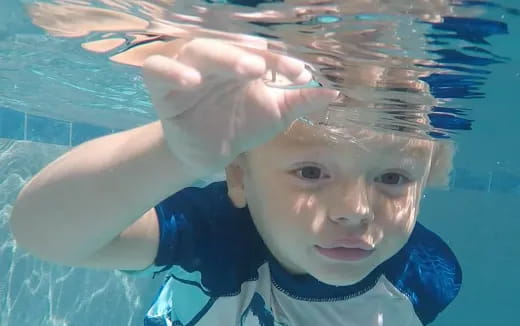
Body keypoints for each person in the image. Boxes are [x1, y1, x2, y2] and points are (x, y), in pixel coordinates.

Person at [9, 37, 461, 325]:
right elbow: (44, 234)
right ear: (239, 177)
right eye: (309, 172)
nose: (355, 209)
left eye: (393, 177)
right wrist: (174, 152)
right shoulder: (215, 236)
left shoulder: (428, 276)